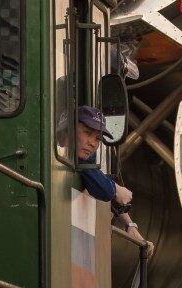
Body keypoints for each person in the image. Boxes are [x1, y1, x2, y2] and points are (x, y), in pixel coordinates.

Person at [75, 105, 154, 257]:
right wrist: (116, 189)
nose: (92, 142)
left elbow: (97, 176)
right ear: (72, 129)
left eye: (98, 138)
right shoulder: (73, 154)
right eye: (87, 133)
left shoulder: (85, 156)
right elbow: (104, 190)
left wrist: (130, 225)